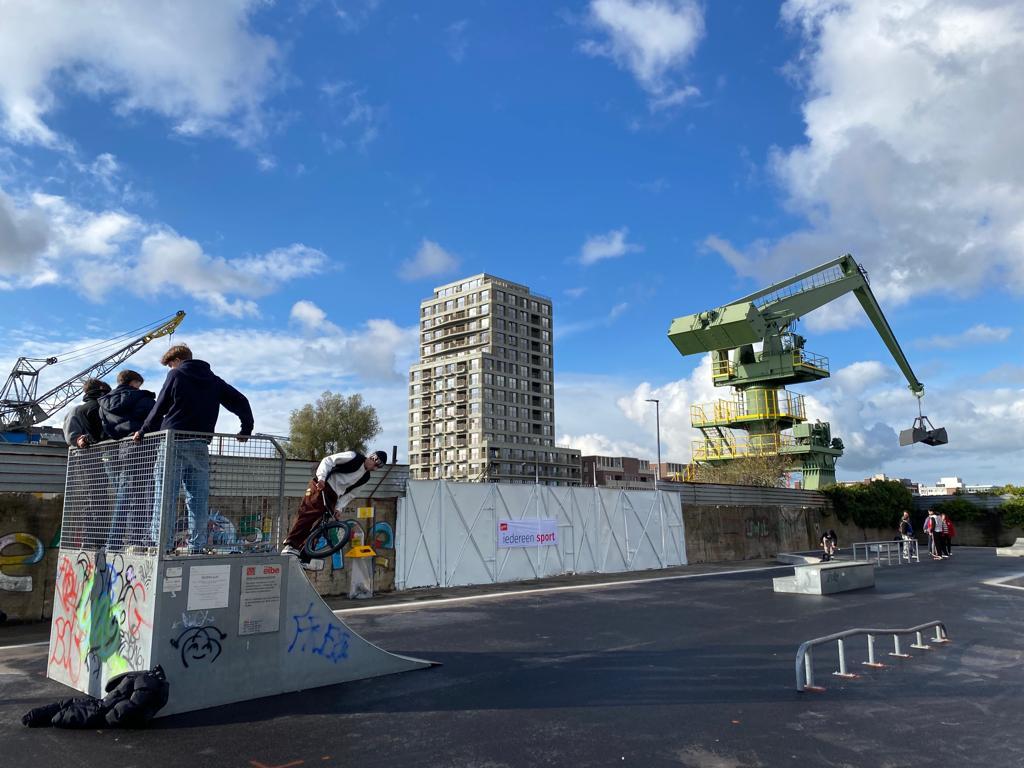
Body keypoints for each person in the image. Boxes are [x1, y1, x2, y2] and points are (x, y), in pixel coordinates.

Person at [133, 344, 254, 554]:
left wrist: (143, 431)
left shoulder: (176, 375)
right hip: (200, 444)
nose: (170, 368)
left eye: (170, 364)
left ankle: (161, 545)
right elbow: (240, 400)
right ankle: (197, 546)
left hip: (174, 441)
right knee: (197, 499)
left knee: (165, 495)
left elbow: (160, 405)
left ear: (178, 360)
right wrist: (246, 429)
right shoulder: (213, 380)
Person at [281, 449, 388, 566]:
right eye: (375, 465)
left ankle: (303, 557)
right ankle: (290, 545)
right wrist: (321, 478)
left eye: (377, 468)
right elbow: (328, 461)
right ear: (373, 458)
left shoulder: (365, 477)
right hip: (322, 485)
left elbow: (350, 495)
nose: (374, 469)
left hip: (334, 496)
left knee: (321, 526)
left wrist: (338, 508)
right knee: (309, 514)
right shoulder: (354, 457)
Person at [99, 370, 156, 550]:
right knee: (143, 495)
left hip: (123, 448)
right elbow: (155, 419)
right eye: (140, 384)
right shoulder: (141, 398)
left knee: (127, 494)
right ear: (134, 383)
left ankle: (128, 539)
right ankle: (128, 539)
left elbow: (108, 429)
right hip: (144, 445)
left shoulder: (104, 403)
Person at [62, 378, 112, 548]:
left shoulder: (85, 410)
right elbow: (72, 436)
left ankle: (97, 538)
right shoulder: (77, 411)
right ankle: (92, 539)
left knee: (99, 498)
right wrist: (79, 441)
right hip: (86, 458)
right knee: (93, 498)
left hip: (97, 457)